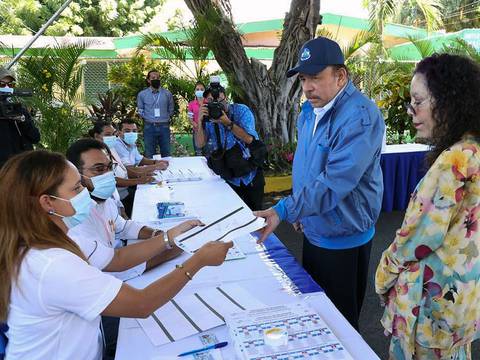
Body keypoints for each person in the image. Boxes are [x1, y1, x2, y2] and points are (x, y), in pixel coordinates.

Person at [0, 150, 232, 360]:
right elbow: (141, 304)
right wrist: (198, 260)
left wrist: (169, 236)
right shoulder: (51, 263)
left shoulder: (52, 240)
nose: (85, 193)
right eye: (76, 188)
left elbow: (116, 259)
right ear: (48, 202)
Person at [255, 37, 385, 330]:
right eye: (303, 78)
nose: (307, 86)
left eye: (315, 77)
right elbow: (308, 167)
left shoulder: (360, 117)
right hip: (315, 227)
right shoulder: (309, 111)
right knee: (316, 316)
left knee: (339, 326)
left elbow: (335, 181)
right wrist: (300, 209)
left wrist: (285, 210)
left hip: (343, 237)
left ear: (341, 76)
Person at [375, 54, 480, 360]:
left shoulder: (455, 159)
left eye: (417, 101)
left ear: (447, 101)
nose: (411, 112)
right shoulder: (474, 149)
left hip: (430, 306)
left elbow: (417, 237)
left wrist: (383, 276)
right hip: (461, 300)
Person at [195, 81, 265, 211]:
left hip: (250, 175)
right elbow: (200, 143)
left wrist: (227, 122)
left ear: (225, 98)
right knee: (233, 216)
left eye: (218, 100)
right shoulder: (207, 117)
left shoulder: (241, 111)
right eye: (210, 100)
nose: (215, 104)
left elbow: (249, 139)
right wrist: (199, 122)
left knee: (255, 216)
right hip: (228, 176)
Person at [89, 121, 154, 217]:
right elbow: (113, 179)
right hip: (115, 198)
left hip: (122, 195)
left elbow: (124, 170)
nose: (112, 137)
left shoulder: (110, 149)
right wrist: (139, 180)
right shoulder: (95, 155)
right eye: (108, 135)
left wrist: (144, 174)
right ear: (97, 136)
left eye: (113, 134)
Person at [0, 67, 40, 168]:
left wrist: (22, 120)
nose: (7, 87)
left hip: (23, 166)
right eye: (2, 84)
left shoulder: (19, 108)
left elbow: (35, 137)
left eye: (10, 84)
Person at [137, 69, 174, 158]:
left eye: (158, 77)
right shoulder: (142, 94)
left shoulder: (167, 94)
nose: (156, 79)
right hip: (149, 126)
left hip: (164, 126)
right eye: (153, 78)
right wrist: (148, 118)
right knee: (149, 153)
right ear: (148, 80)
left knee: (166, 153)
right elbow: (140, 110)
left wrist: (165, 118)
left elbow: (171, 109)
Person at [187, 81, 206, 155]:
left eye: (202, 89)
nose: (199, 91)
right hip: (197, 130)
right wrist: (196, 125)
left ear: (205, 91)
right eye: (197, 89)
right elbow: (190, 118)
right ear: (195, 91)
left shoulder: (208, 102)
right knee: (198, 152)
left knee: (208, 152)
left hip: (208, 130)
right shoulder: (191, 104)